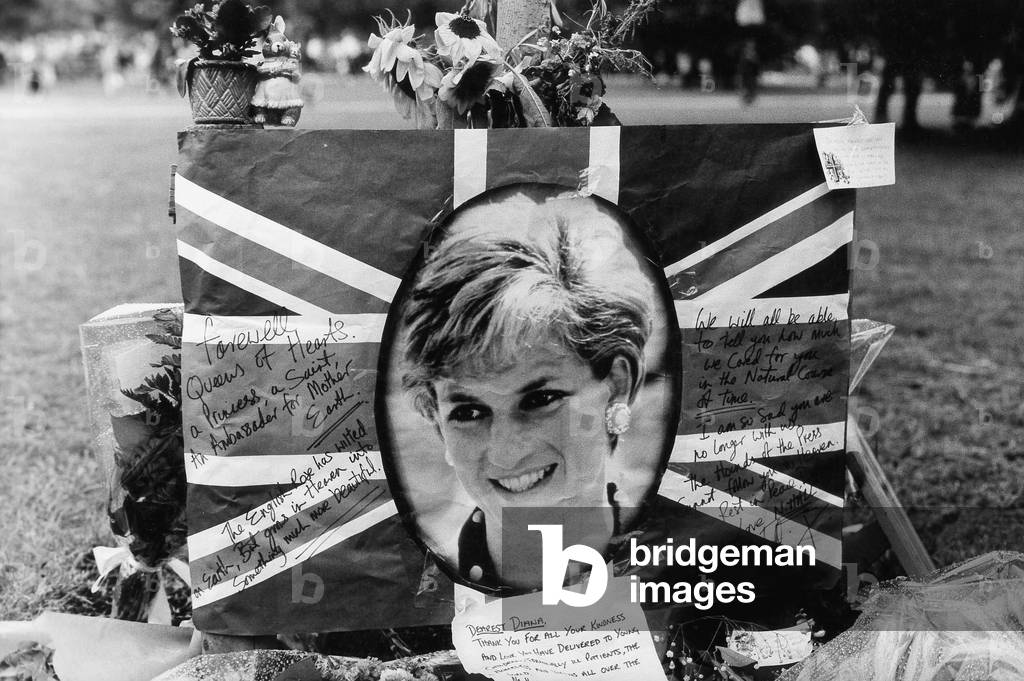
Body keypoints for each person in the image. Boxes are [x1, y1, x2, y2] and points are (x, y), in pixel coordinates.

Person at [398, 185, 657, 592]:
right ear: (436, 419)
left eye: (540, 399)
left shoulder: (694, 575)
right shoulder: (404, 587)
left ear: (618, 384)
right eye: (467, 412)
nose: (506, 451)